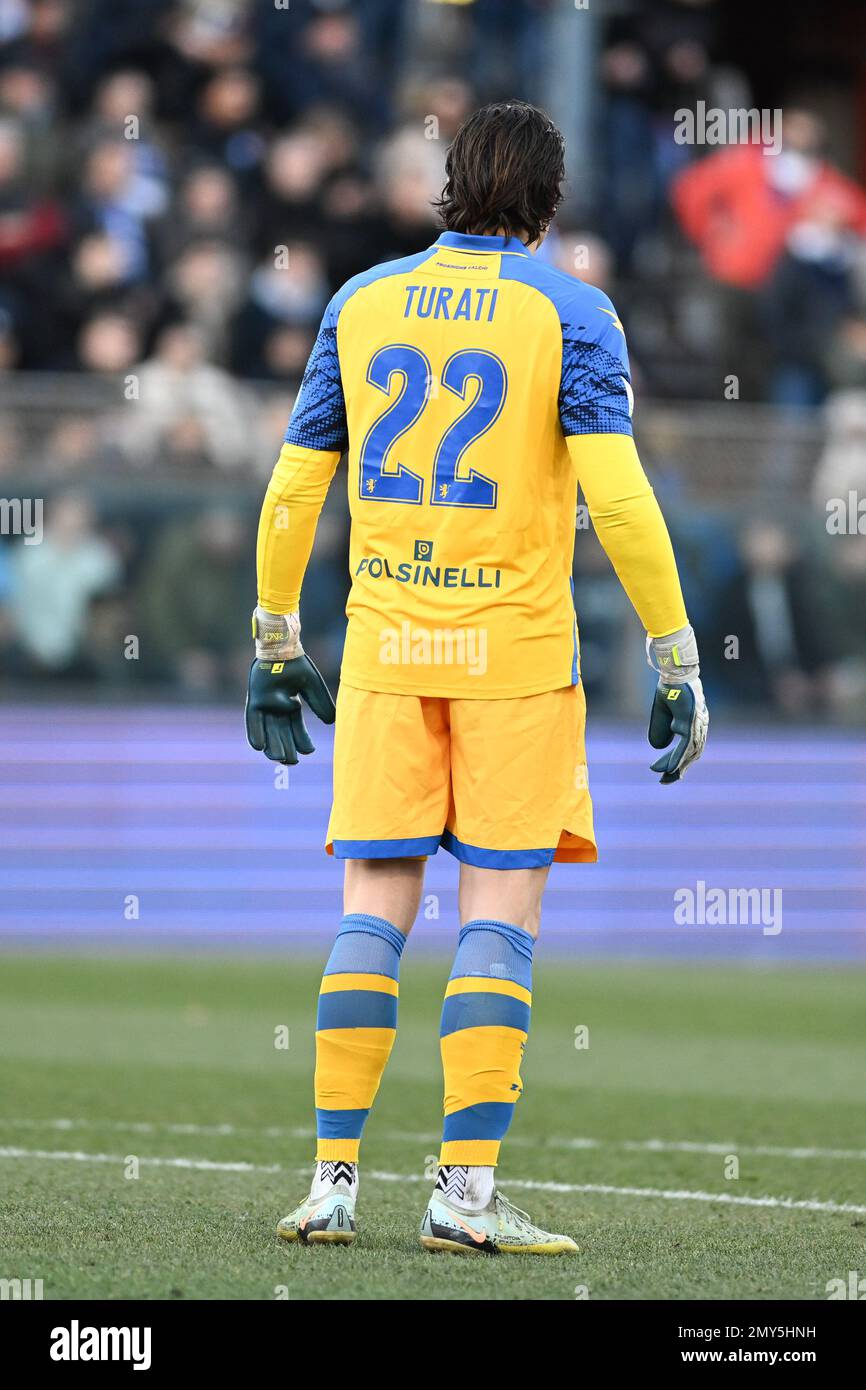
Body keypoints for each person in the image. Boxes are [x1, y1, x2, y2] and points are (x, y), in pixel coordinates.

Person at [245, 101, 708, 1256]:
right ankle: (461, 1196)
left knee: (370, 914)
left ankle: (331, 1183)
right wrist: (674, 652)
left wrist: (274, 641)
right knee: (497, 920)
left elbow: (296, 487)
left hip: (387, 655)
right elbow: (617, 498)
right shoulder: (572, 313)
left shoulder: (360, 300)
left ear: (447, 186)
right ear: (547, 207)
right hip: (510, 660)